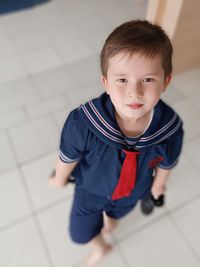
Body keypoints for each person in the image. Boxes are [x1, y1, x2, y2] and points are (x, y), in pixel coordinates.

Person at [49, 20, 184, 267]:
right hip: (90, 190)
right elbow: (68, 156)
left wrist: (158, 187)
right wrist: (59, 178)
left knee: (115, 216)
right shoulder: (83, 122)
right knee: (80, 233)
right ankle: (100, 248)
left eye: (148, 80)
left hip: (134, 191)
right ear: (106, 83)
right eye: (122, 80)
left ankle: (110, 220)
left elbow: (167, 163)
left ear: (165, 81)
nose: (135, 92)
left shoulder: (170, 130)